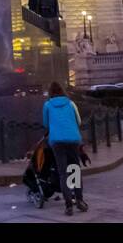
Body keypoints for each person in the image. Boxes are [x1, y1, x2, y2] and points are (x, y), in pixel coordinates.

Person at [41, 83, 87, 216]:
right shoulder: (71, 103)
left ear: (50, 92)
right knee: (75, 170)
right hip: (73, 140)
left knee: (63, 173)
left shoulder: (47, 105)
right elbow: (78, 121)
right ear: (63, 91)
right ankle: (79, 200)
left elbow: (45, 123)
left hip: (56, 141)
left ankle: (68, 206)